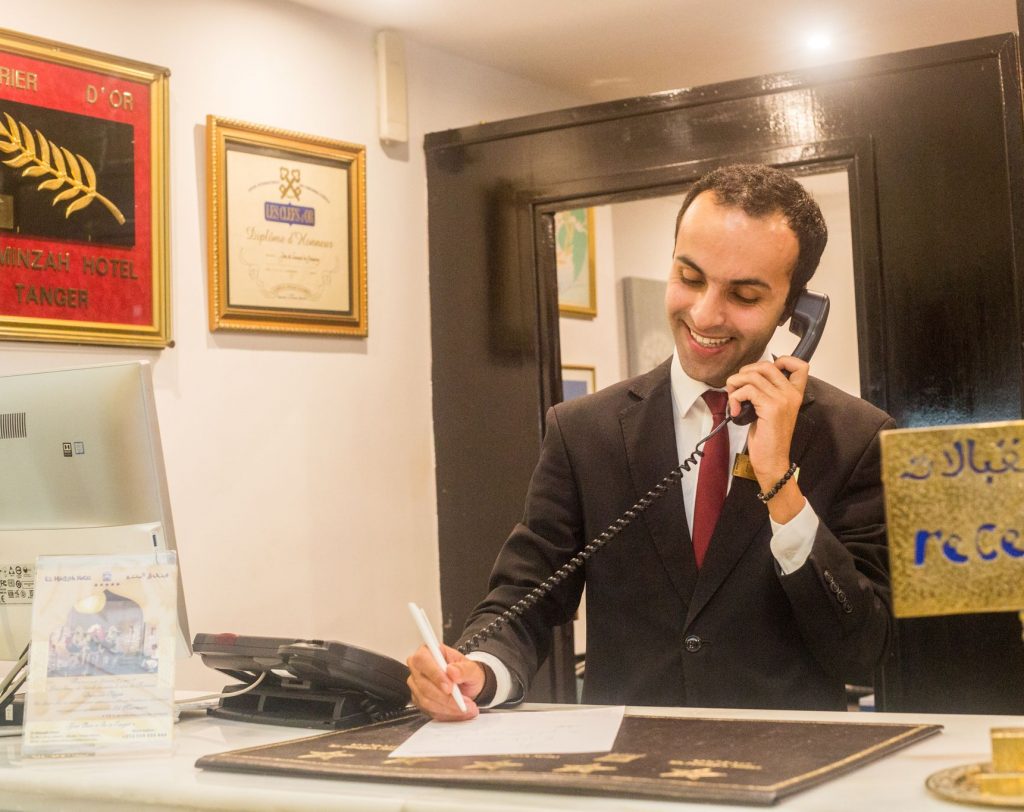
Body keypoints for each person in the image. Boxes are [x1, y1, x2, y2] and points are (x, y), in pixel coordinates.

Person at [407, 163, 894, 720]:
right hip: (627, 759)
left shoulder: (854, 438)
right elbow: (526, 595)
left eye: (743, 294)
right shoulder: (583, 431)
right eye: (690, 277)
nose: (705, 314)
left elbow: (863, 648)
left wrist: (781, 485)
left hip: (790, 760)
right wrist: (478, 670)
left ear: (794, 311)